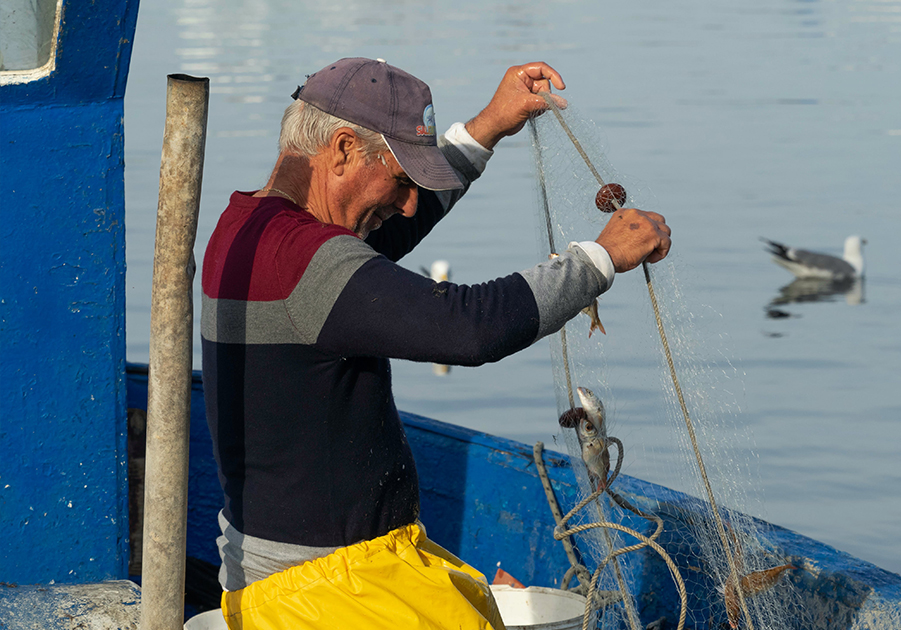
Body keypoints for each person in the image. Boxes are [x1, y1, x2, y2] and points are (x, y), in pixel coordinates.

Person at [200, 57, 670, 629]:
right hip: (323, 589)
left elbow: (384, 237)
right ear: (343, 149)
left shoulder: (248, 227)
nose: (408, 204)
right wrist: (597, 260)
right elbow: (467, 327)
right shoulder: (309, 263)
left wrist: (487, 128)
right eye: (402, 181)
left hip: (307, 572)